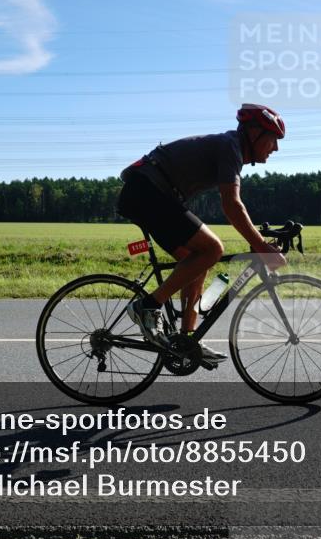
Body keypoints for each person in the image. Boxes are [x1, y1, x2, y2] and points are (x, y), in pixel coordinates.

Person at [116, 103, 288, 363]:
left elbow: (234, 205)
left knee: (199, 261)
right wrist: (261, 246)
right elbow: (231, 205)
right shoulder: (231, 147)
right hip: (147, 191)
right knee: (212, 249)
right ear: (254, 134)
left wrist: (259, 240)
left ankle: (187, 342)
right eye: (273, 139)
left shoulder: (231, 148)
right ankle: (148, 306)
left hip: (151, 192)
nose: (275, 148)